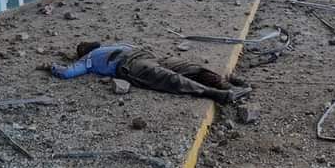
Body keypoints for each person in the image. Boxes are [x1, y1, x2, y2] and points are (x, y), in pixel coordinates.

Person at [49, 41, 250, 104]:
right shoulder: (91, 56)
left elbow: (67, 72)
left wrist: (52, 66)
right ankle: (220, 92)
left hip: (142, 60)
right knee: (177, 75)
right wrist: (52, 67)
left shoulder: (96, 53)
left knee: (183, 72)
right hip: (136, 61)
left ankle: (225, 88)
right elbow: (68, 73)